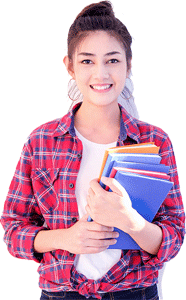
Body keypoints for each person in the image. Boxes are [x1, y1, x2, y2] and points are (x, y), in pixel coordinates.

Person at [1, 1, 185, 300]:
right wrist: (66, 238)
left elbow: (174, 237)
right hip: (62, 293)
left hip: (134, 292)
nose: (101, 74)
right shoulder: (41, 141)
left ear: (128, 65)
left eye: (112, 60)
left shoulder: (154, 141)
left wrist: (131, 222)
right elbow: (12, 230)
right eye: (87, 61)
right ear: (70, 66)